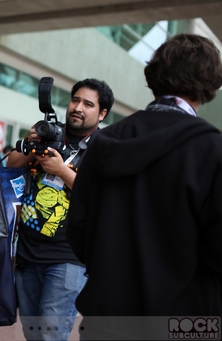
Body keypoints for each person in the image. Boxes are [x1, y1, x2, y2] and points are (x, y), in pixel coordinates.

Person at [67, 34, 222, 339]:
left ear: (153, 77)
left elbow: (79, 229)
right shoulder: (211, 148)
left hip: (108, 316)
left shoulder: (105, 142)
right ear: (210, 82)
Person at [7, 78, 114, 341]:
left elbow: (101, 196)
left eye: (88, 104)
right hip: (28, 252)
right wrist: (33, 144)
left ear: (102, 114)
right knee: (33, 334)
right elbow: (11, 165)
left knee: (49, 335)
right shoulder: (51, 132)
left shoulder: (106, 146)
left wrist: (61, 171)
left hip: (70, 257)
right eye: (75, 100)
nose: (78, 107)